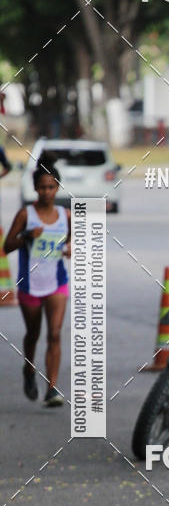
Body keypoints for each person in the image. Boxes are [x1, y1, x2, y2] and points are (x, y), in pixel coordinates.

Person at [4, 156, 70, 406]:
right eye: (42, 187)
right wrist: (27, 236)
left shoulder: (66, 216)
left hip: (57, 283)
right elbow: (7, 246)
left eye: (51, 187)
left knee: (54, 334)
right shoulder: (26, 214)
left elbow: (75, 242)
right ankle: (29, 371)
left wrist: (71, 247)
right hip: (30, 285)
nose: (46, 192)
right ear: (35, 188)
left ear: (58, 188)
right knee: (34, 333)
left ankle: (52, 388)